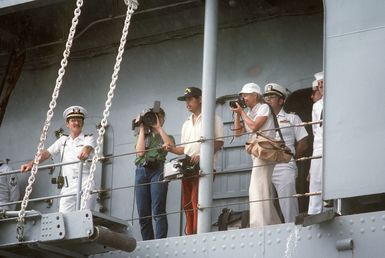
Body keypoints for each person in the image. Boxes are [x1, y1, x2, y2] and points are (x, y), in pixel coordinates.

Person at [165, 87, 224, 235]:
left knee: (197, 201)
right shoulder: (186, 123)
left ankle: (199, 233)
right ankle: (191, 233)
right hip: (188, 166)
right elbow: (184, 149)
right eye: (186, 100)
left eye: (190, 99)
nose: (187, 103)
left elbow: (218, 143)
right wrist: (170, 149)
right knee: (187, 203)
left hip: (204, 166)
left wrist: (202, 155)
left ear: (200, 99)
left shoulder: (213, 118)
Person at [20, 106, 95, 213]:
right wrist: (31, 164)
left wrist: (85, 153)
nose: (76, 123)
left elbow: (88, 148)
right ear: (67, 124)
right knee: (63, 218)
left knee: (84, 217)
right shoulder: (63, 140)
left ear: (82, 123)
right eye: (73, 120)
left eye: (79, 120)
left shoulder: (89, 138)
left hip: (85, 183)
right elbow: (47, 153)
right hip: (68, 186)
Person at [232, 82, 281, 227]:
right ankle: (272, 222)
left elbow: (253, 127)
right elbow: (237, 133)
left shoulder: (264, 107)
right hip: (256, 153)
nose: (244, 98)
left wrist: (241, 113)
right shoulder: (249, 112)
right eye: (242, 95)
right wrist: (237, 115)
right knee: (263, 187)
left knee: (256, 188)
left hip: (265, 151)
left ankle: (259, 223)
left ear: (255, 95)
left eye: (246, 95)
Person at [263, 83, 309, 223]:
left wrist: (292, 158)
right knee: (264, 203)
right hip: (264, 165)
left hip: (283, 165)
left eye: (272, 97)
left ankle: (292, 230)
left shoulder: (292, 118)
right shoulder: (262, 120)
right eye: (266, 97)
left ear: (281, 100)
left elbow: (304, 142)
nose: (268, 100)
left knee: (288, 203)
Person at [134, 107, 175, 240]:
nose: (156, 119)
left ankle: (160, 241)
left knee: (158, 210)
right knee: (143, 214)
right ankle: (148, 242)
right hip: (141, 171)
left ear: (163, 119)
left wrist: (158, 127)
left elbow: (169, 145)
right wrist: (141, 128)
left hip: (158, 169)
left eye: (159, 117)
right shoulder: (142, 136)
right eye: (153, 117)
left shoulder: (167, 137)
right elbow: (140, 153)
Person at [308, 72, 324, 215]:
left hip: (335, 143)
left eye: (323, 83)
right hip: (319, 145)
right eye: (319, 85)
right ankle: (314, 211)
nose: (321, 87)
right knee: (315, 179)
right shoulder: (317, 106)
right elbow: (315, 129)